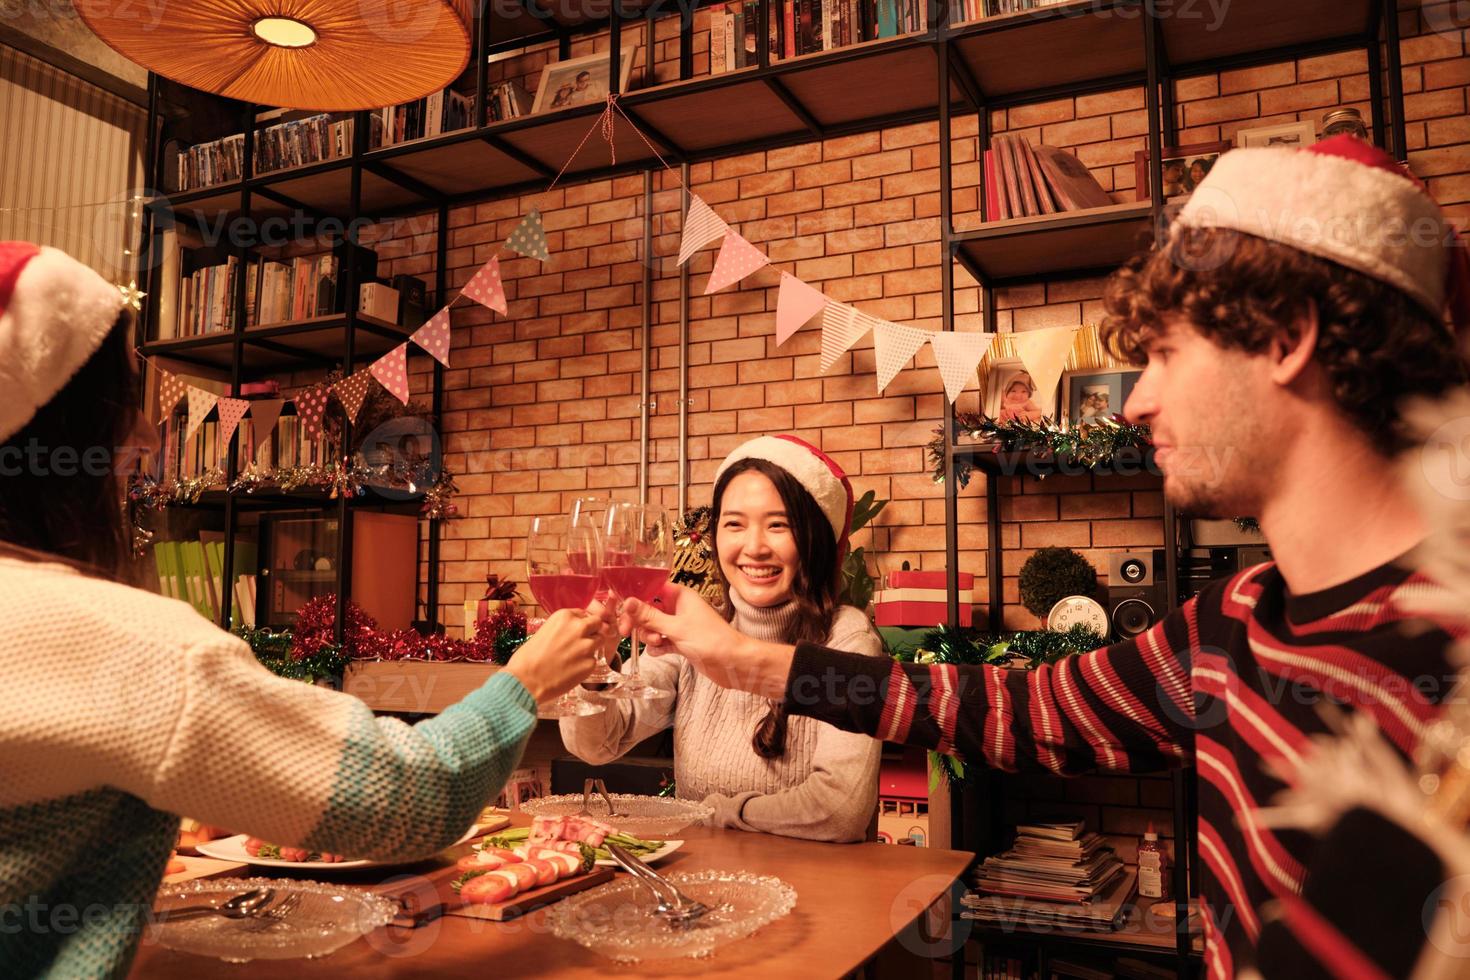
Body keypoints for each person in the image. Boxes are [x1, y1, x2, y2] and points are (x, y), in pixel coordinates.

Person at [618, 137, 1470, 977]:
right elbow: (1024, 709)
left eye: (1167, 353)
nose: (1136, 402)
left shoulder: (1450, 665)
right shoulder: (1228, 623)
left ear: (1287, 338)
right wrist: (741, 660)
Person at [0, 242, 605, 977]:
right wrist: (524, 681)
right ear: (67, 438)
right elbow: (411, 795)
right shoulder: (127, 642)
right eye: (128, 403)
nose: (152, 437)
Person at [561, 435, 884, 842]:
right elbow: (598, 744)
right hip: (699, 891)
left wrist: (716, 812)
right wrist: (595, 664)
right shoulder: (696, 628)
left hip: (814, 891)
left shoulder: (848, 639)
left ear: (815, 539)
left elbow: (840, 811)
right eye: (734, 524)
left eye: (779, 525)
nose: (754, 547)